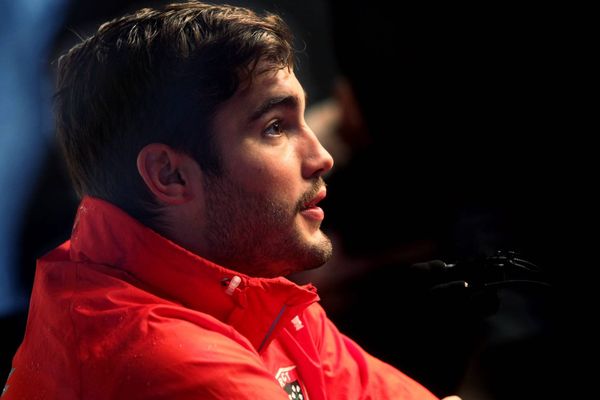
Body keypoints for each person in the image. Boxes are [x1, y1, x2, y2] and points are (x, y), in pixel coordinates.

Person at [3, 2, 461, 399]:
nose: (321, 156)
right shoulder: (171, 362)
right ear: (170, 175)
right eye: (275, 128)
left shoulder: (250, 286)